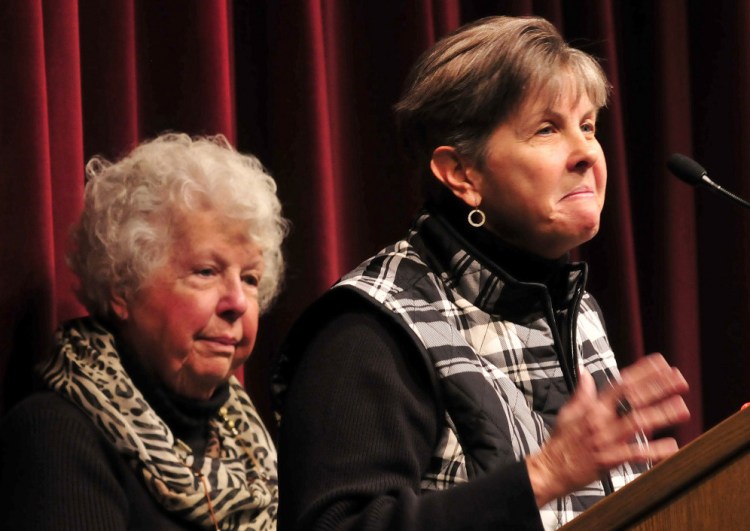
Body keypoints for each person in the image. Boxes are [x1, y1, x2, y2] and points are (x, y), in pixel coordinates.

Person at [274, 16, 690, 530]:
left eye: (588, 126)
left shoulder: (575, 308)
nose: (586, 153)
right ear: (462, 174)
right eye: (547, 129)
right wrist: (546, 473)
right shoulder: (368, 329)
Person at [0, 133, 289, 530]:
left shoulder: (253, 451)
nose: (237, 302)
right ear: (123, 286)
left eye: (251, 279)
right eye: (206, 271)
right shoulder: (56, 436)